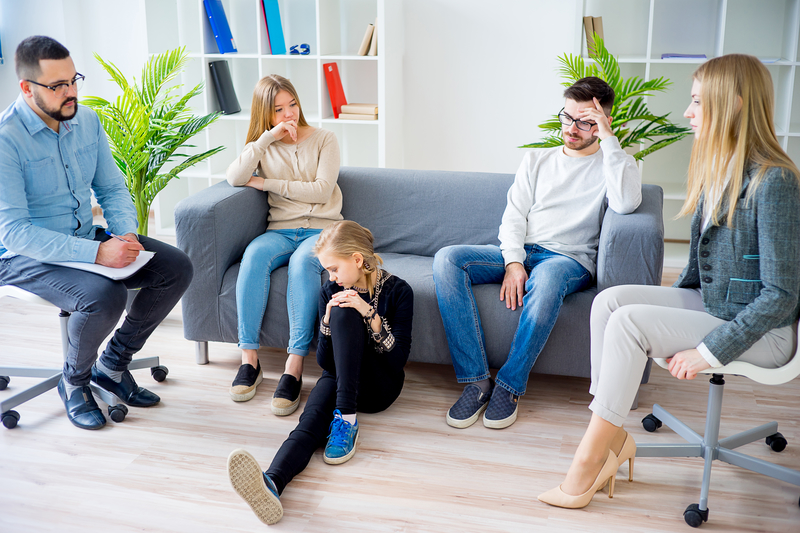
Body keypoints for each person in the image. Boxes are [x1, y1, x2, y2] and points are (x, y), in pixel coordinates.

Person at [539, 54, 800, 509]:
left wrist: (707, 351)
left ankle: (590, 457)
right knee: (611, 303)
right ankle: (614, 435)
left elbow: (781, 295)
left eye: (697, 100)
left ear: (733, 104)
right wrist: (667, 305)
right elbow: (700, 269)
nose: (687, 111)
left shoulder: (773, 181)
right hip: (718, 304)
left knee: (630, 324)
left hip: (767, 332)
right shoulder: (719, 168)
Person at [0, 36, 193, 430]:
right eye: (58, 86)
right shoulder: (6, 141)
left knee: (175, 266)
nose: (70, 93)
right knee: (106, 296)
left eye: (74, 80)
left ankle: (112, 365)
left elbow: (112, 188)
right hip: (22, 255)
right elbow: (15, 232)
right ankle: (73, 382)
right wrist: (97, 255)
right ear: (27, 87)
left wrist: (124, 235)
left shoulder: (86, 120)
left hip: (87, 235)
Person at [433, 76, 642, 430]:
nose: (572, 128)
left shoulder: (614, 164)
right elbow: (513, 217)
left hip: (567, 260)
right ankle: (475, 380)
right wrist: (513, 262)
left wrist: (609, 141)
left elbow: (626, 202)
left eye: (586, 122)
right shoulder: (537, 161)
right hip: (523, 251)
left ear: (605, 124)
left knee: (546, 281)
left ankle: (509, 385)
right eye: (567, 117)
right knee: (447, 259)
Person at [226, 220, 413, 525]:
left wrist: (369, 314)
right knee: (308, 424)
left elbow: (397, 360)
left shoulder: (399, 291)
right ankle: (272, 483)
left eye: (335, 268)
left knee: (350, 312)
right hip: (341, 381)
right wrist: (327, 321)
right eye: (327, 270)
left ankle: (347, 421)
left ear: (356, 259)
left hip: (379, 385)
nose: (331, 277)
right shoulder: (331, 290)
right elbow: (327, 362)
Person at [225, 75, 342, 414]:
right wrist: (266, 139)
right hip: (281, 230)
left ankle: (294, 365)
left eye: (293, 104)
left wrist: (267, 184)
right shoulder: (265, 143)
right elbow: (235, 177)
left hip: (322, 229)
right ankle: (249, 360)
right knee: (253, 256)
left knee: (302, 264)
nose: (289, 113)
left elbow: (322, 190)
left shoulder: (324, 139)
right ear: (266, 113)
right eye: (278, 109)